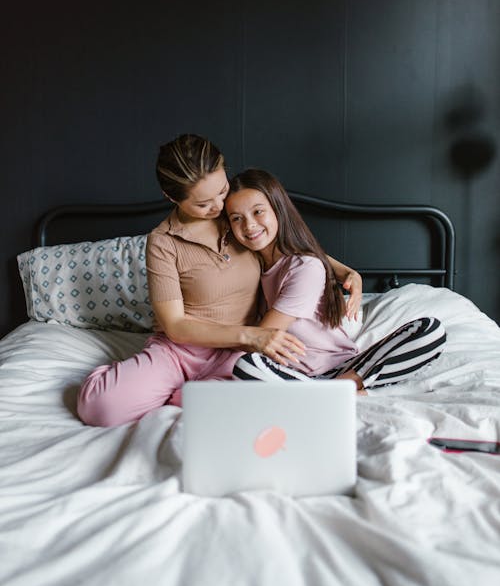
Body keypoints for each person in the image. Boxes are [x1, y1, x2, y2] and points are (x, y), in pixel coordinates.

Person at [77, 135, 362, 426]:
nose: (218, 205)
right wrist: (251, 335)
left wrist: (344, 271)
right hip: (182, 350)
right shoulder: (163, 242)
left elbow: (289, 246)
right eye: (203, 203)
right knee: (99, 408)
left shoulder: (238, 215)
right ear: (172, 197)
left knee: (220, 403)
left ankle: (179, 394)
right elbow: (175, 326)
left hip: (239, 354)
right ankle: (130, 378)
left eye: (222, 190)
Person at [225, 169, 447, 392]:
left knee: (429, 329)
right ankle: (338, 393)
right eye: (236, 218)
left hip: (347, 367)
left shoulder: (304, 266)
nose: (249, 225)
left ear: (278, 209)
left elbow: (262, 336)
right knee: (247, 367)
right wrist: (347, 271)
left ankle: (338, 389)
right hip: (292, 375)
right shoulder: (251, 265)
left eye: (258, 212)